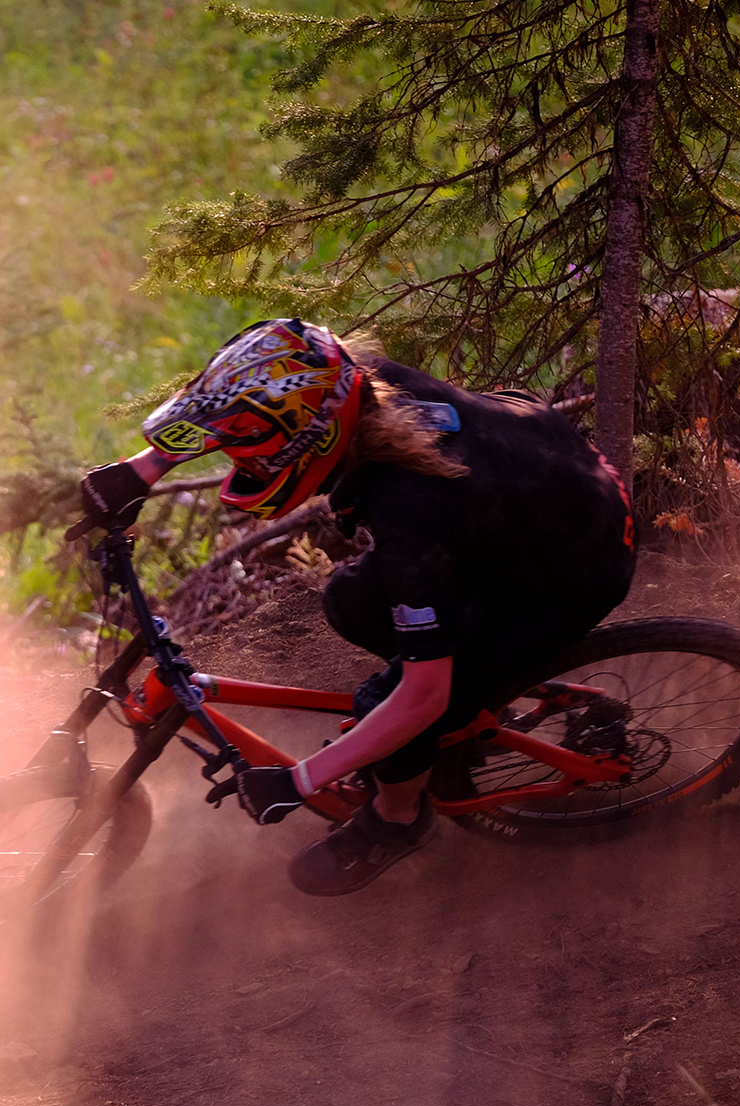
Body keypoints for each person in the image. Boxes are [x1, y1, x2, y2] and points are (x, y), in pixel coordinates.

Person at [78, 318, 635, 895]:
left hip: (571, 570)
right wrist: (141, 470)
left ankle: (400, 820)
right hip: (543, 486)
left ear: (311, 438)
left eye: (256, 456)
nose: (248, 465)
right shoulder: (351, 381)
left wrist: (300, 779)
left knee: (391, 709)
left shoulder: (412, 517)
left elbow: (422, 697)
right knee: (348, 602)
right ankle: (476, 699)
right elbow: (236, 408)